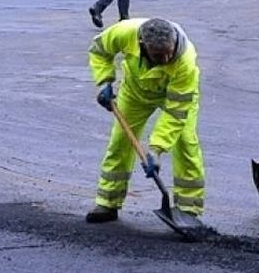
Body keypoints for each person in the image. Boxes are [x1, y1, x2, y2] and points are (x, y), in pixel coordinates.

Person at [86, 18, 206, 223]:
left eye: (169, 52)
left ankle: (188, 209)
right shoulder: (124, 33)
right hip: (135, 93)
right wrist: (105, 80)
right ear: (142, 45)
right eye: (159, 55)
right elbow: (99, 50)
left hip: (175, 97)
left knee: (185, 143)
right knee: (120, 142)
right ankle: (108, 202)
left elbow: (175, 114)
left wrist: (156, 150)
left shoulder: (185, 61)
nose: (167, 58)